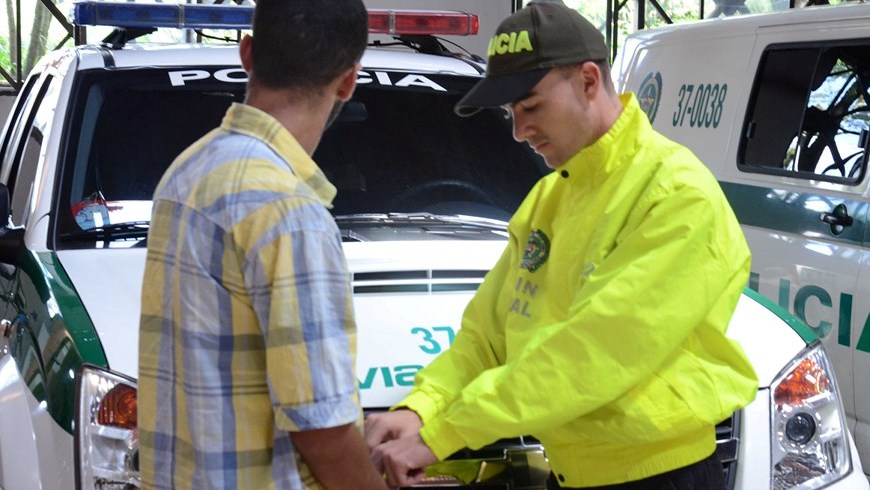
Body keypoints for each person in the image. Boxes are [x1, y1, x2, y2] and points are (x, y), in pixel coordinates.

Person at [365, 1, 758, 489]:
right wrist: (421, 407)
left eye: (530, 107)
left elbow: (593, 352)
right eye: (511, 112)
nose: (518, 130)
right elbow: (486, 336)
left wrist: (444, 432)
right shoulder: (550, 197)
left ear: (589, 81)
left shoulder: (676, 195)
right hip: (573, 473)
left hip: (657, 475)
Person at [137, 0, 388, 488]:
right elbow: (324, 431)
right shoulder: (289, 213)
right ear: (347, 81)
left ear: (247, 53)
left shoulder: (185, 173)